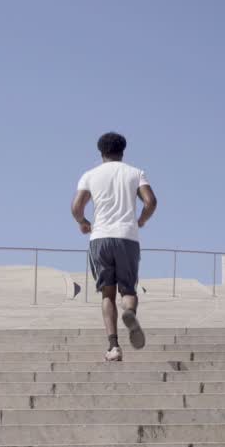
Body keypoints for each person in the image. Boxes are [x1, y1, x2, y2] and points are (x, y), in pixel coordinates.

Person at [71, 132, 157, 361]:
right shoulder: (135, 173)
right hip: (127, 237)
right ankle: (129, 312)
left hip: (100, 238)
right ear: (123, 151)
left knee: (107, 294)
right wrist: (141, 220)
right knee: (128, 290)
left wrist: (83, 223)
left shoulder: (90, 175)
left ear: (101, 152)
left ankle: (114, 347)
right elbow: (151, 202)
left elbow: (77, 207)